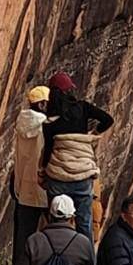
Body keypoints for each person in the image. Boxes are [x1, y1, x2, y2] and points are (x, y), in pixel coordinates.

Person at [41, 70, 112, 241]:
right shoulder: (82, 108)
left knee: (55, 224)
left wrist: (43, 170)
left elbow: (49, 149)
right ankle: (86, 264)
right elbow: (108, 119)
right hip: (82, 174)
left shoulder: (49, 121)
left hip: (57, 175)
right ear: (69, 91)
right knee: (84, 224)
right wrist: (92, 133)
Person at [10, 81, 52, 265]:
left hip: (23, 192)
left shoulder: (21, 123)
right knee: (53, 244)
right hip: (43, 191)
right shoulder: (45, 126)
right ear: (44, 104)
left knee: (21, 248)